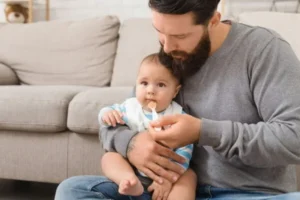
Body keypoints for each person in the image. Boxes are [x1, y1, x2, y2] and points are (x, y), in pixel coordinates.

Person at [55, 0, 300, 199]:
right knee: (73, 190)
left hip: (248, 193)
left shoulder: (264, 49)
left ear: (213, 20)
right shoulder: (171, 51)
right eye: (160, 32)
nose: (168, 47)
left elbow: (294, 138)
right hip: (163, 191)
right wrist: (131, 143)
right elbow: (121, 120)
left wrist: (203, 131)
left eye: (180, 36)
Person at [98, 53, 196, 200]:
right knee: (109, 157)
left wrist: (167, 178)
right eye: (144, 83)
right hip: (132, 168)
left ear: (175, 91)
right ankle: (129, 181)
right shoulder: (130, 107)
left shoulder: (177, 115)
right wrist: (107, 114)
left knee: (188, 177)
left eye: (161, 85)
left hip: (165, 173)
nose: (150, 90)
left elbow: (185, 151)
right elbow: (108, 114)